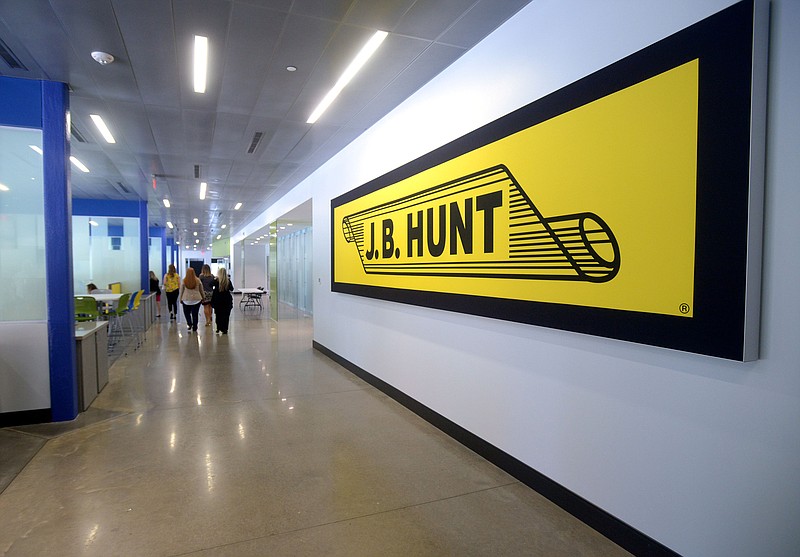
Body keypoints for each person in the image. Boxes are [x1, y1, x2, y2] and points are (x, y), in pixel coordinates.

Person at [179, 267, 204, 332]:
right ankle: (195, 327)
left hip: (186, 299)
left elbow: (181, 290)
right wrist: (203, 297)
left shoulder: (184, 280)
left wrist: (180, 298)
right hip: (196, 299)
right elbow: (201, 290)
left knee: (186, 313)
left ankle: (189, 323)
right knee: (195, 314)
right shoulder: (198, 280)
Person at [212, 268, 234, 335]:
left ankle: (218, 328)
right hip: (226, 301)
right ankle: (225, 329)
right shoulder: (228, 281)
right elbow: (232, 289)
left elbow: (210, 285)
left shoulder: (216, 281)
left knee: (218, 315)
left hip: (217, 300)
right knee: (226, 315)